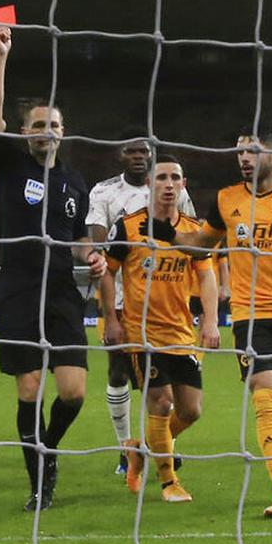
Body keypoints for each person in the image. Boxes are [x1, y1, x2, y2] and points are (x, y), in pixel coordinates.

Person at [150, 129, 272, 519]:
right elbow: (203, 245)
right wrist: (170, 235)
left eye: (253, 150)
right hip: (250, 316)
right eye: (240, 151)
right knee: (264, 393)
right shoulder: (226, 200)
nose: (244, 157)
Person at [0, 24, 107, 511]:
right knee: (30, 386)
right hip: (17, 288)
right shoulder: (13, 164)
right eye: (37, 126)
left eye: (52, 125)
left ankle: (47, 446)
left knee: (73, 393)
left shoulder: (75, 181)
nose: (45, 132)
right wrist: (0, 57)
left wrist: (90, 256)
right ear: (25, 134)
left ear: (62, 131)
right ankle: (40, 482)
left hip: (59, 291)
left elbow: (78, 239)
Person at [99, 155, 220, 502]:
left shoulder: (193, 231)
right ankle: (169, 482)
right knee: (161, 402)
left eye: (175, 178)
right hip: (141, 334)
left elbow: (206, 275)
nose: (169, 184)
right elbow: (107, 271)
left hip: (181, 332)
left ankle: (140, 449)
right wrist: (111, 318)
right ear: (150, 184)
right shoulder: (128, 227)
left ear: (183, 185)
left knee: (191, 410)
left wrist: (210, 321)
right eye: (162, 178)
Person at [86, 134, 196, 475]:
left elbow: (190, 237)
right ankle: (124, 447)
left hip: (165, 297)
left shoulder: (174, 188)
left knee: (167, 385)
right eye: (131, 151)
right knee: (118, 370)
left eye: (143, 151)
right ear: (120, 155)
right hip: (117, 296)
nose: (137, 156)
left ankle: (160, 445)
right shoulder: (103, 191)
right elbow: (97, 240)